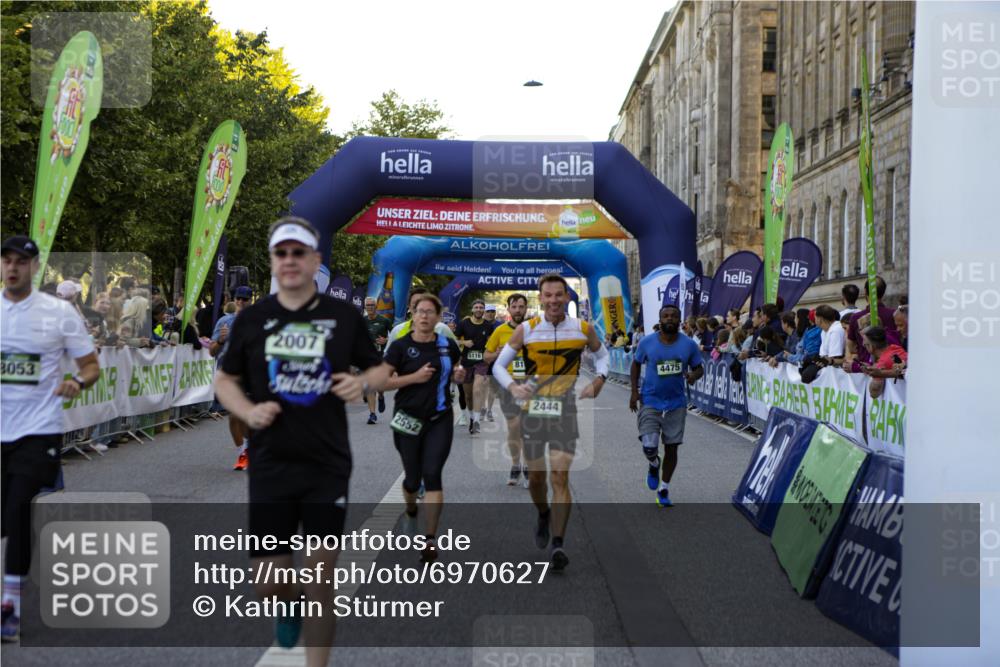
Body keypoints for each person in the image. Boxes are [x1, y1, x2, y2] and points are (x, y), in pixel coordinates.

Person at [214, 218, 391, 663]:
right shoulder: (254, 318)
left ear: (315, 261)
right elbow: (225, 380)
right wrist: (248, 410)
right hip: (271, 461)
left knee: (321, 578)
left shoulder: (343, 316)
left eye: (299, 253)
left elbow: (380, 369)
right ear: (273, 262)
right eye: (281, 253)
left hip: (325, 462)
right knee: (268, 582)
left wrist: (361, 382)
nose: (290, 260)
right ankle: (287, 601)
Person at [2, 236, 101, 643]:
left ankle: (10, 605)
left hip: (38, 428)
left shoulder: (58, 313)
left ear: (34, 266)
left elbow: (92, 365)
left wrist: (76, 382)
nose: (12, 268)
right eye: (6, 260)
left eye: (21, 262)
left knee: (19, 509)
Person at [493, 274, 611, 571]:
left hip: (565, 410)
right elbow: (498, 365)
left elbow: (603, 356)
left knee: (559, 477)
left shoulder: (583, 329)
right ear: (541, 298)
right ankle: (543, 512)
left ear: (567, 297)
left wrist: (599, 380)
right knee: (536, 479)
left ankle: (558, 543)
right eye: (548, 295)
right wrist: (512, 387)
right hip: (533, 411)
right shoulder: (527, 329)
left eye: (559, 295)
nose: (554, 300)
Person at [382, 294, 465, 562]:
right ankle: (411, 511)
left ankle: (430, 540)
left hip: (439, 418)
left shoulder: (447, 345)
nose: (425, 316)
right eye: (420, 311)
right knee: (411, 479)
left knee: (432, 474)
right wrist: (413, 378)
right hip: (407, 417)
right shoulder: (400, 346)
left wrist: (458, 374)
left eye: (431, 311)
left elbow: (455, 368)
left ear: (438, 316)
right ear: (413, 314)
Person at [629, 304, 704, 507]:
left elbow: (699, 368)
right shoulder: (647, 342)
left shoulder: (688, 344)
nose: (669, 319)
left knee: (672, 448)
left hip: (676, 403)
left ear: (679, 321)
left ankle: (664, 488)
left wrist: (692, 375)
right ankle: (654, 464)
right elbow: (636, 364)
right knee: (650, 446)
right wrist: (634, 392)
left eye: (673, 316)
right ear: (660, 319)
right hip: (650, 400)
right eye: (666, 316)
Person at [485, 293, 530, 487]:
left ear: (526, 309)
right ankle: (515, 465)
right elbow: (486, 356)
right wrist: (497, 353)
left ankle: (528, 468)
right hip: (507, 384)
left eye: (521, 306)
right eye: (515, 307)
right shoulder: (500, 330)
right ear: (509, 309)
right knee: (514, 426)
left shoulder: (533, 329)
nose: (518, 310)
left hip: (529, 383)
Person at [212, 287, 253, 469]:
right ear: (234, 300)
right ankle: (243, 452)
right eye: (239, 299)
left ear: (250, 300)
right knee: (233, 416)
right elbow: (212, 350)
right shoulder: (224, 321)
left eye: (245, 299)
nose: (241, 302)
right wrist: (220, 340)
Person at [454, 299, 492, 435]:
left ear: (484, 310)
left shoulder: (488, 325)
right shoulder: (464, 324)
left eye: (481, 307)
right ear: (472, 309)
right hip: (466, 362)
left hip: (481, 362)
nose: (478, 309)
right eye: (476, 307)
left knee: (477, 390)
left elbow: (492, 342)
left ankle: (476, 420)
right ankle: (471, 417)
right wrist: (464, 341)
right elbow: (454, 339)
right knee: (468, 395)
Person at [362, 297, 392, 425]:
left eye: (372, 305)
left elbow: (394, 335)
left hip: (381, 355)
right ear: (365, 307)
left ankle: (381, 396)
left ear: (376, 306)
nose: (370, 307)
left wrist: (386, 341)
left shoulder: (384, 320)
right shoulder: (361, 321)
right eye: (368, 305)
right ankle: (372, 414)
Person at [859, 325, 908, 398]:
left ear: (871, 347)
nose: (863, 344)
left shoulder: (883, 362)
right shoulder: (896, 348)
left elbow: (874, 392)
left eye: (865, 344)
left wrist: (872, 373)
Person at [480, 304, 501, 423]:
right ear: (484, 312)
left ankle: (489, 410)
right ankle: (483, 408)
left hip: (496, 358)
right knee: (483, 385)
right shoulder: (480, 324)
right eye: (488, 311)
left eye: (493, 311)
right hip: (483, 358)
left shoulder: (499, 325)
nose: (490, 313)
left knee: (492, 386)